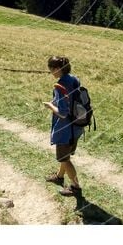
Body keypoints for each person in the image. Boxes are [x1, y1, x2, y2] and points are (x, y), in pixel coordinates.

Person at [43, 56, 84, 197]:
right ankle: (60, 177)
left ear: (55, 69)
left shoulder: (59, 86)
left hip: (64, 130)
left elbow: (63, 113)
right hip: (77, 126)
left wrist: (50, 106)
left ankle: (75, 186)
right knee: (65, 156)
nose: (50, 73)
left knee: (64, 159)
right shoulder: (74, 79)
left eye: (51, 70)